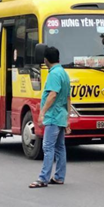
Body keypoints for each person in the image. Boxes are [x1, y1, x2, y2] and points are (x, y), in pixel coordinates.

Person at [30, 46, 71, 189]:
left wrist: (42, 113)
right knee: (60, 147)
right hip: (61, 116)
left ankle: (43, 178)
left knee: (48, 147)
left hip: (53, 116)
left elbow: (53, 94)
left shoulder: (54, 74)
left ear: (45, 59)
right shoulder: (64, 73)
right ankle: (59, 176)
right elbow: (68, 98)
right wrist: (68, 119)